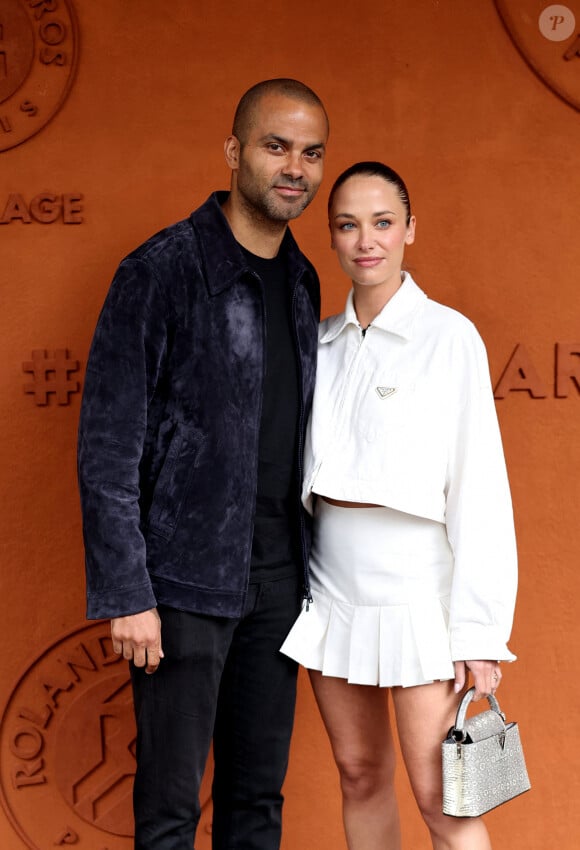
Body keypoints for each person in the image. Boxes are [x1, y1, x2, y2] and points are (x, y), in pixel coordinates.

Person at [77, 78, 329, 850]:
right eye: (276, 145)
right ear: (233, 152)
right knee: (169, 813)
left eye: (312, 152)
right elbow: (107, 445)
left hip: (279, 585)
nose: (296, 167)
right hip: (181, 586)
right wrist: (128, 592)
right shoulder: (161, 270)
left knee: (256, 804)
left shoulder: (305, 280)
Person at [280, 161, 518, 850]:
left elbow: (481, 489)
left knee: (445, 799)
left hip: (420, 597)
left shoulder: (450, 338)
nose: (366, 241)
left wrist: (478, 631)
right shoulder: (317, 344)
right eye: (348, 224)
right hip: (331, 590)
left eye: (383, 222)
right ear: (331, 235)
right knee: (358, 774)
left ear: (411, 229)